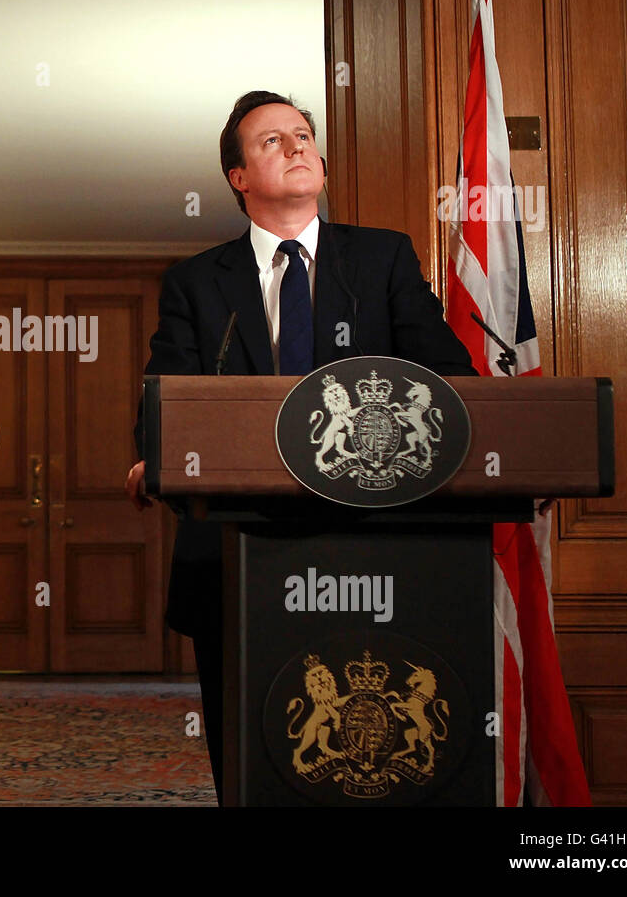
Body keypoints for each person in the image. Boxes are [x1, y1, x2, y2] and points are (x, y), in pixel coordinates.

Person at [125, 91, 476, 802]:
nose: (296, 147)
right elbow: (167, 394)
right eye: (271, 141)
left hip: (379, 538)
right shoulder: (197, 281)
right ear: (238, 176)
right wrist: (155, 455)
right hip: (238, 543)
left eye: (303, 134)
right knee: (251, 739)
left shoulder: (380, 258)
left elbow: (449, 379)